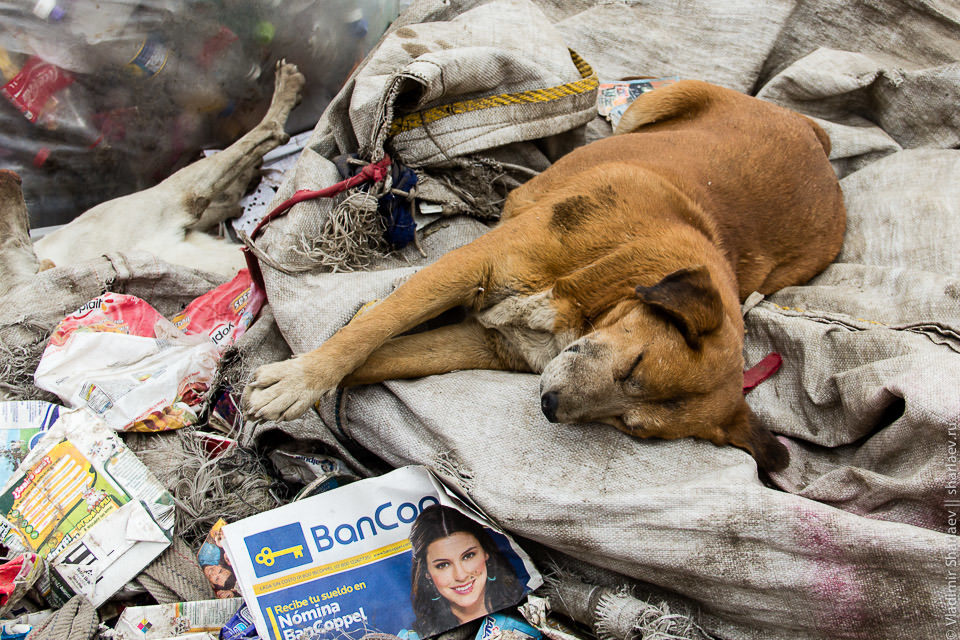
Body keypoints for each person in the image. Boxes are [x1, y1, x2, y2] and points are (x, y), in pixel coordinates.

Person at [409, 505, 524, 637]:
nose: (461, 575)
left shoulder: (529, 604)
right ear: (427, 572)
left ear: (486, 552)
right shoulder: (412, 636)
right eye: (443, 565)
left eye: (468, 556)